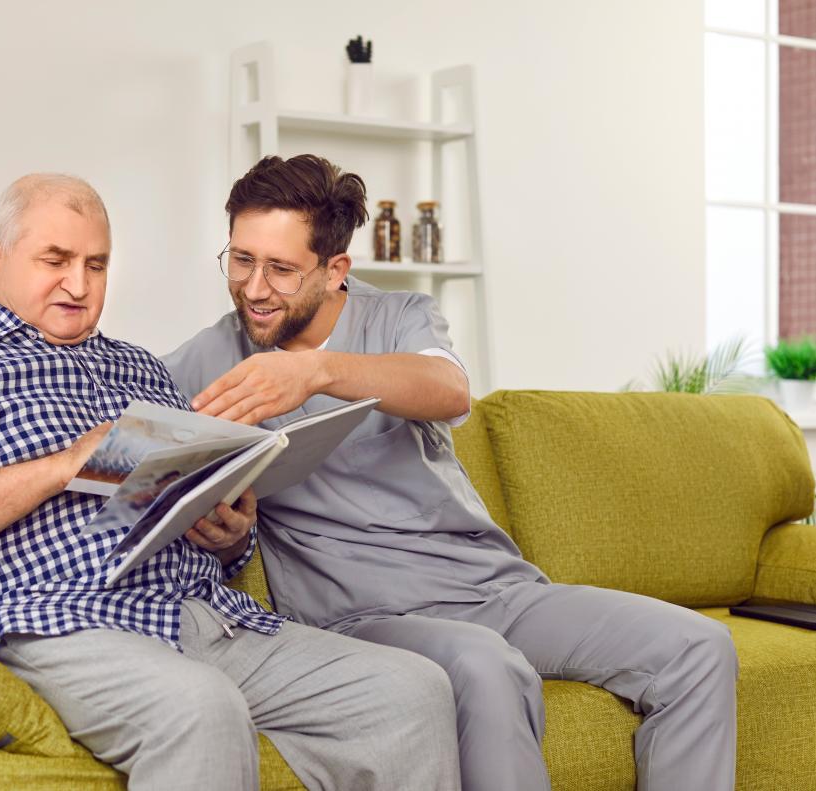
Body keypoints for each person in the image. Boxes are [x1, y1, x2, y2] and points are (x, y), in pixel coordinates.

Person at [0, 172, 460, 791]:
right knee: (200, 707)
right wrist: (65, 464)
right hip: (55, 622)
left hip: (202, 617)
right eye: (56, 260)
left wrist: (230, 534)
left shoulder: (143, 368)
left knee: (411, 691)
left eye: (96, 265)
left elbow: (201, 520)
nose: (79, 284)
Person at [163, 154, 739, 791]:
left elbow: (449, 390)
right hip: (361, 616)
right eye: (241, 260)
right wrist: (225, 531)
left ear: (334, 271)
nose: (254, 288)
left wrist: (316, 372)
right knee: (486, 666)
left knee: (699, 649)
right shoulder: (211, 356)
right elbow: (130, 433)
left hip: (494, 589)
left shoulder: (401, 317)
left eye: (281, 269)